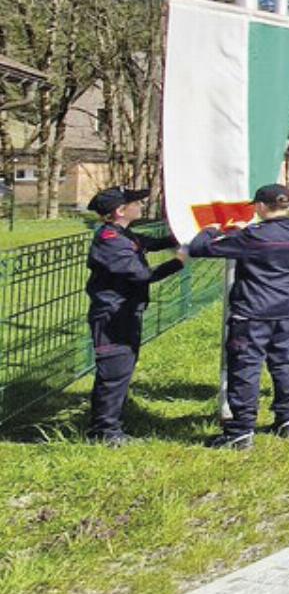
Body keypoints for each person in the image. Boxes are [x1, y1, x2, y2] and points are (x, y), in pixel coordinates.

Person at [189, 184, 289, 450]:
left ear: (259, 206)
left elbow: (201, 248)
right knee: (284, 364)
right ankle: (288, 418)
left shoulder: (253, 237)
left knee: (246, 368)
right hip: (288, 309)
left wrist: (213, 227)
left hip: (253, 312)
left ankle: (240, 430)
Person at [83, 187, 186, 445]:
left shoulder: (122, 234)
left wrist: (185, 236)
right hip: (113, 316)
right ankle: (106, 433)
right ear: (120, 211)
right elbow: (142, 275)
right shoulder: (110, 240)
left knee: (121, 369)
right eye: (135, 202)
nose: (140, 205)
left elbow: (150, 243)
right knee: (114, 371)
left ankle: (109, 422)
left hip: (126, 311)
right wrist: (179, 262)